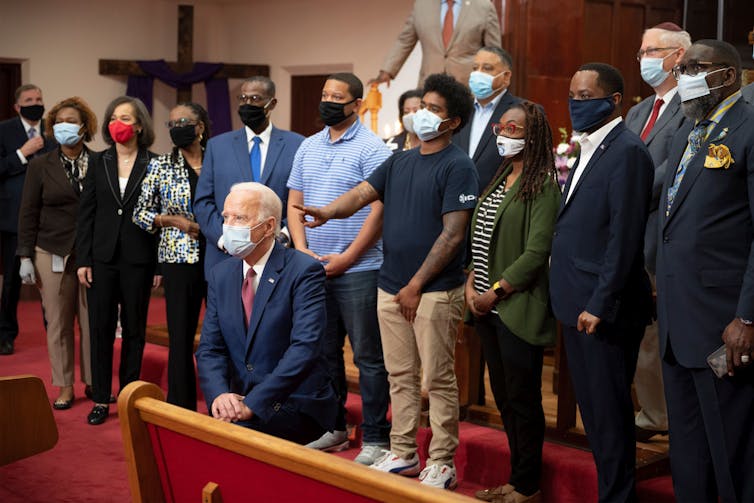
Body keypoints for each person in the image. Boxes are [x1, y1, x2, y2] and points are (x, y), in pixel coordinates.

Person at [295, 73, 478, 490]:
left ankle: (442, 461)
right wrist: (327, 212)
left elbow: (452, 235)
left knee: (438, 379)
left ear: (452, 122)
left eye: (433, 109)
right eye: (420, 107)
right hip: (390, 284)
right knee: (400, 374)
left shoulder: (458, 165)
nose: (421, 115)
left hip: (432, 290)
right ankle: (403, 452)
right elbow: (362, 194)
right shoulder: (400, 159)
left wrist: (415, 284)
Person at [549, 63, 654, 503]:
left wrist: (600, 301)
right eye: (572, 93)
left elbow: (623, 238)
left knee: (610, 420)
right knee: (594, 415)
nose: (576, 103)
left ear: (612, 101)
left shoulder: (627, 151)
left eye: (586, 96)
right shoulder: (588, 148)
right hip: (575, 301)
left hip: (602, 308)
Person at [656, 39, 754, 503]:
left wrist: (747, 317)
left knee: (731, 454)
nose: (684, 75)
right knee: (688, 453)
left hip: (723, 321)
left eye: (696, 67)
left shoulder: (749, 128)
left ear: (728, 75)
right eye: (683, 68)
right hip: (678, 320)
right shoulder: (687, 132)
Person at [287, 72, 392, 464]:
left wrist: (349, 257)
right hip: (313, 265)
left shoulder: (372, 148)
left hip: (360, 268)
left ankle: (377, 437)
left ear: (357, 105)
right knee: (323, 350)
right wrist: (301, 250)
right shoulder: (308, 146)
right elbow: (294, 200)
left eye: (337, 96)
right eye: (325, 94)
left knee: (368, 356)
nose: (328, 101)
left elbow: (379, 211)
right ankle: (333, 426)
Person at [467, 101, 560, 503]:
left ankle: (526, 485)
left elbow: (536, 254)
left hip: (515, 306)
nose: (504, 135)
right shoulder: (503, 173)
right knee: (504, 396)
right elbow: (482, 235)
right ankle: (515, 479)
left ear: (533, 135)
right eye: (501, 128)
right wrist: (472, 280)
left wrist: (496, 291)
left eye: (514, 128)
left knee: (523, 399)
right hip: (486, 305)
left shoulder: (543, 186)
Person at [195, 182, 338, 444]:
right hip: (239, 399)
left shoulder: (304, 271)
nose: (228, 226)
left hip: (293, 400)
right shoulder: (221, 274)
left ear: (269, 226)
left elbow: (304, 349)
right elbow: (210, 349)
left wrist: (255, 403)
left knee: (231, 443)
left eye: (240, 218)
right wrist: (220, 395)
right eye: (226, 217)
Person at [624, 22, 690, 443]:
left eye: (652, 51)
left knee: (655, 334)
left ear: (677, 56)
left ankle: (662, 417)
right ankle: (647, 411)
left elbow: (673, 169)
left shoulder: (690, 104)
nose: (645, 58)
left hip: (659, 237)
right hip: (627, 237)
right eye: (642, 51)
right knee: (635, 331)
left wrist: (626, 192)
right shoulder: (636, 111)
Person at [76, 96, 159, 426]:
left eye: (125, 118)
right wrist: (83, 259)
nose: (117, 124)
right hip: (102, 258)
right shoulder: (98, 162)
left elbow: (160, 216)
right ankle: (99, 398)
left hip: (139, 259)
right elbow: (86, 213)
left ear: (139, 125)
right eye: (113, 118)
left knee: (135, 330)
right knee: (100, 329)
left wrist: (158, 266)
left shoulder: (155, 163)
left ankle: (127, 394)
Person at [16, 96, 97, 409]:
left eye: (72, 121)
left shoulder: (101, 162)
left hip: (89, 254)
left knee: (91, 322)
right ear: (52, 127)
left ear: (85, 126)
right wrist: (25, 255)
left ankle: (93, 381)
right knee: (59, 322)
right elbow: (28, 212)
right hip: (50, 249)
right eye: (60, 121)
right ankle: (64, 386)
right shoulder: (40, 165)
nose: (66, 126)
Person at [133, 102, 210, 410]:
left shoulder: (219, 161)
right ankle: (182, 405)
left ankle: (227, 401)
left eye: (184, 122)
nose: (177, 127)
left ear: (200, 127)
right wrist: (172, 221)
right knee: (180, 334)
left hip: (220, 255)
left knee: (226, 332)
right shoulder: (161, 165)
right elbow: (141, 213)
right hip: (179, 258)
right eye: (172, 123)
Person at [194, 76, 304, 278]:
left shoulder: (297, 144)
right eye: (243, 98)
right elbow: (203, 202)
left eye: (255, 99)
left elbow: (302, 199)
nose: (247, 104)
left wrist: (284, 235)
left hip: (278, 254)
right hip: (225, 257)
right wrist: (224, 238)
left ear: (272, 103)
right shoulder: (217, 146)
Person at [0, 84, 55, 355]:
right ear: (17, 106)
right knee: (11, 281)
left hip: (49, 220)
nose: (36, 103)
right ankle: (5, 334)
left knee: (51, 281)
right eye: (29, 100)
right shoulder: (5, 130)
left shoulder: (53, 130)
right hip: (13, 219)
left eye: (39, 98)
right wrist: (22, 153)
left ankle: (54, 334)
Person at [373, 0, 501, 87]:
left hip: (468, 85)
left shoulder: (483, 6)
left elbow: (493, 52)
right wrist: (387, 71)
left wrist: (493, 82)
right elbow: (404, 40)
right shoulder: (422, 5)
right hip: (430, 83)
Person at [455, 46, 521, 192]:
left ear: (506, 77)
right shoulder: (458, 111)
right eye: (475, 67)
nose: (478, 74)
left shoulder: (522, 112)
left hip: (497, 205)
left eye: (487, 68)